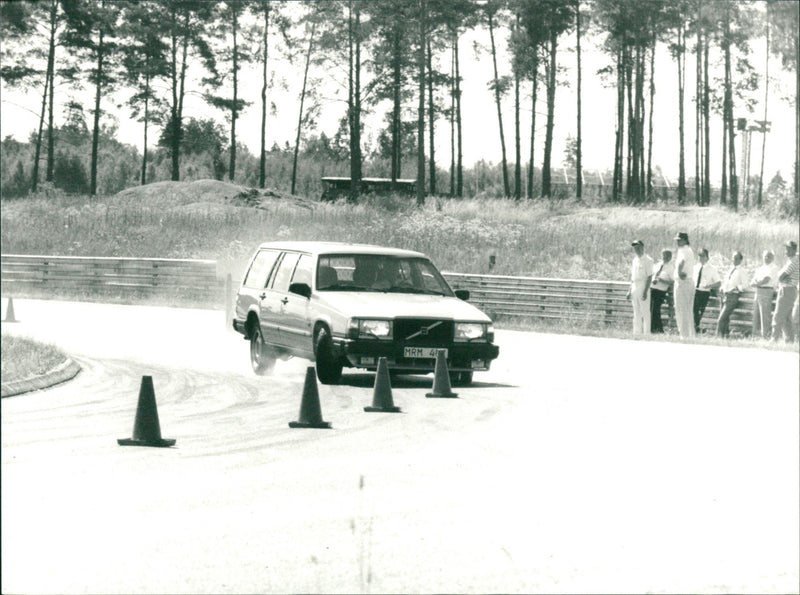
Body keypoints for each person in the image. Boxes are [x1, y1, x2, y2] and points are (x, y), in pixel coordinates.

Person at [771, 240, 799, 342]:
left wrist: (780, 276)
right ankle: (789, 341)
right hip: (788, 289)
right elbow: (780, 276)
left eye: (788, 249)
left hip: (787, 289)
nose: (786, 251)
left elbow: (781, 277)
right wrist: (780, 276)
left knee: (778, 315)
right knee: (786, 318)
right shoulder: (792, 259)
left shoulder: (794, 261)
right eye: (786, 249)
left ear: (793, 250)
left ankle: (774, 339)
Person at [625, 240, 653, 335]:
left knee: (645, 311)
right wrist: (629, 290)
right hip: (635, 286)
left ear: (642, 247)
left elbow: (649, 276)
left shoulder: (648, 260)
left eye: (638, 247)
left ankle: (646, 333)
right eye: (635, 248)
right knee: (636, 311)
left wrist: (645, 291)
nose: (636, 249)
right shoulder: (635, 260)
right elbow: (632, 277)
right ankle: (636, 333)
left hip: (643, 285)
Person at [750, 250, 779, 338]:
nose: (766, 258)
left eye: (769, 256)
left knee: (765, 315)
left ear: (773, 258)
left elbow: (766, 280)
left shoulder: (774, 268)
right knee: (756, 315)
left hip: (767, 291)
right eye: (765, 256)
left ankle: (765, 336)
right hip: (758, 291)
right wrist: (757, 283)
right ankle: (755, 336)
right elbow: (752, 281)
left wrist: (757, 283)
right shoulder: (760, 268)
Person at [716, 251, 746, 338]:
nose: (734, 260)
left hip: (733, 296)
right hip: (725, 296)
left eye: (736, 258)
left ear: (740, 260)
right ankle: (725, 337)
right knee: (725, 320)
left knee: (721, 319)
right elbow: (726, 282)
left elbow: (745, 284)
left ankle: (718, 338)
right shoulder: (730, 270)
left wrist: (736, 288)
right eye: (733, 258)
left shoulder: (742, 271)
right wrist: (722, 288)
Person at [692, 248, 721, 333]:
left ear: (707, 257)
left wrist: (709, 286)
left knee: (698, 310)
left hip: (704, 292)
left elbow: (718, 283)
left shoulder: (712, 269)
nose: (700, 258)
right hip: (694, 291)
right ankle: (695, 328)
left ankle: (696, 328)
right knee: (693, 310)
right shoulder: (695, 267)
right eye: (699, 256)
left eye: (703, 256)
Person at [673, 232, 696, 338]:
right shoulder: (687, 250)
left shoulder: (684, 250)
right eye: (677, 240)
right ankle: (689, 335)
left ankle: (684, 335)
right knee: (686, 309)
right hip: (687, 282)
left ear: (685, 240)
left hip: (683, 282)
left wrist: (678, 272)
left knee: (681, 309)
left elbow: (681, 262)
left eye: (679, 240)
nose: (678, 242)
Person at [650, 249, 674, 333]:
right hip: (652, 288)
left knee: (655, 309)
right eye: (664, 255)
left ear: (670, 257)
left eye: (667, 256)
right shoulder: (657, 265)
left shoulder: (671, 268)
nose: (665, 257)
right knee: (651, 309)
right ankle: (653, 329)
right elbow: (651, 275)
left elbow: (672, 282)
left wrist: (662, 280)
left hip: (661, 290)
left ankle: (658, 329)